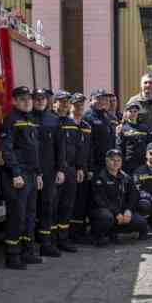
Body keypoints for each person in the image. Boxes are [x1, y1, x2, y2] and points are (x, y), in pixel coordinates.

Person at [0, 86, 43, 268]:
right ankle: (13, 256)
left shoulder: (30, 120)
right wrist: (15, 173)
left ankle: (28, 252)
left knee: (30, 215)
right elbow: (7, 149)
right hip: (19, 175)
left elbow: (35, 150)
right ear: (14, 101)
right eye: (23, 99)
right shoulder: (10, 120)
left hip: (31, 174)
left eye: (29, 99)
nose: (27, 102)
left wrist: (38, 173)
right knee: (17, 216)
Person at [31, 87, 66, 257]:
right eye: (37, 99)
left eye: (42, 99)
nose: (40, 101)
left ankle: (46, 244)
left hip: (49, 171)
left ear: (47, 101)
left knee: (47, 207)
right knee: (29, 209)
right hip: (30, 171)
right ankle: (28, 247)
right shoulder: (26, 118)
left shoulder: (53, 120)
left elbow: (60, 148)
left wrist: (60, 169)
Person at [89, 149, 150, 245]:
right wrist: (116, 213)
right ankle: (99, 236)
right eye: (112, 160)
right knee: (106, 217)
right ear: (106, 161)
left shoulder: (126, 177)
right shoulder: (99, 177)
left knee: (141, 222)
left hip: (122, 213)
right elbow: (101, 200)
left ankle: (115, 232)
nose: (116, 163)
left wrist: (128, 210)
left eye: (118, 160)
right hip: (106, 212)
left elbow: (133, 195)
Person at [53, 91, 83, 252]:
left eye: (67, 102)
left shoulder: (71, 123)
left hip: (70, 169)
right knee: (53, 206)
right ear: (54, 103)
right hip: (55, 170)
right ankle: (51, 241)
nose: (65, 104)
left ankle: (63, 239)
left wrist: (79, 167)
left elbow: (77, 147)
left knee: (67, 205)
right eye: (61, 101)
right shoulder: (51, 121)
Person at [68, 92, 94, 243]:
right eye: (76, 104)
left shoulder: (86, 126)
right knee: (68, 202)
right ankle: (67, 234)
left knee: (81, 202)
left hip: (83, 170)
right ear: (70, 105)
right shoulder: (65, 124)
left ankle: (78, 233)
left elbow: (90, 149)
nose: (79, 107)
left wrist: (89, 169)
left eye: (81, 105)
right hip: (70, 168)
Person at [83, 90, 116, 174]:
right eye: (99, 99)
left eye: (104, 99)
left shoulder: (109, 116)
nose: (102, 101)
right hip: (94, 162)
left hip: (108, 161)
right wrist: (90, 166)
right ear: (91, 101)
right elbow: (87, 143)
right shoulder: (87, 117)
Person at [116, 101, 152, 175]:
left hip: (143, 162)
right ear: (126, 113)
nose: (133, 113)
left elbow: (149, 144)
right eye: (130, 111)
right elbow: (119, 146)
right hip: (128, 164)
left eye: (135, 111)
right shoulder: (122, 128)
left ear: (138, 113)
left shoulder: (144, 128)